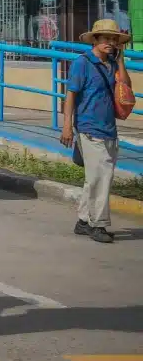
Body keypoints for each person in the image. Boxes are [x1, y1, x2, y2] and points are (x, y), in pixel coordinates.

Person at [63, 18, 131, 245]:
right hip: (88, 129)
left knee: (95, 179)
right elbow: (70, 95)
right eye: (106, 38)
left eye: (114, 39)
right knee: (101, 178)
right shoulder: (82, 63)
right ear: (96, 39)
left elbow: (126, 89)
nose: (110, 43)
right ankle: (98, 224)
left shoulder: (112, 64)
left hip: (109, 128)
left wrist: (121, 62)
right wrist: (67, 126)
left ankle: (83, 220)